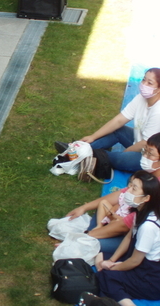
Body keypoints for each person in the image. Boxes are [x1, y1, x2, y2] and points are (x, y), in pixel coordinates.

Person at [67, 132, 160, 252]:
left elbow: (125, 224)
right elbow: (122, 194)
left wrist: (85, 237)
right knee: (94, 230)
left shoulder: (155, 191)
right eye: (144, 151)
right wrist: (84, 207)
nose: (144, 156)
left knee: (88, 244)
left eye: (150, 154)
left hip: (141, 236)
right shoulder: (149, 175)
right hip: (127, 223)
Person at [94, 170, 160, 305]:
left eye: (134, 189)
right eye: (130, 185)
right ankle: (110, 282)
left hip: (150, 276)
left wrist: (113, 268)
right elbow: (129, 238)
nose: (128, 191)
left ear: (146, 198)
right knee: (100, 256)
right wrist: (112, 260)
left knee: (106, 276)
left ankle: (127, 303)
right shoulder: (140, 211)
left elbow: (135, 261)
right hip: (138, 262)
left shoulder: (149, 226)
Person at [80, 68, 160, 172]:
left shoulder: (158, 111)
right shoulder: (141, 98)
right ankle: (83, 150)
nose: (144, 84)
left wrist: (126, 153)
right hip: (141, 144)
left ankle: (84, 154)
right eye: (144, 80)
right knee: (119, 130)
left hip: (151, 156)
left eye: (150, 83)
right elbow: (119, 120)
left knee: (121, 159)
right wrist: (93, 136)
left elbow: (146, 143)